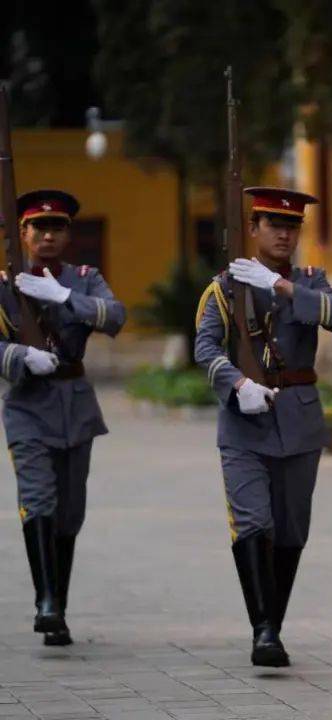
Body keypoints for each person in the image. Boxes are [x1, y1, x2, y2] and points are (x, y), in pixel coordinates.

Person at [194, 187, 332, 666]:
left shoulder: (310, 281)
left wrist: (279, 286)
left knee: (291, 530)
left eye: (292, 226)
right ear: (253, 229)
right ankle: (263, 631)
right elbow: (205, 348)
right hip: (245, 423)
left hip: (298, 419)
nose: (284, 233)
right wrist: (237, 384)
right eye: (273, 224)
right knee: (254, 522)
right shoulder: (223, 287)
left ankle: (273, 623)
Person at [0, 189, 125, 646]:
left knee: (70, 512)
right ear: (23, 233)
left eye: (57, 228)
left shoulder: (84, 279)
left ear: (68, 235)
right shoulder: (3, 284)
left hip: (75, 403)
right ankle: (45, 601)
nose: (48, 236)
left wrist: (64, 296)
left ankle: (60, 606)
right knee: (39, 499)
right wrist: (16, 356)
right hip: (27, 404)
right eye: (40, 228)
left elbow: (115, 316)